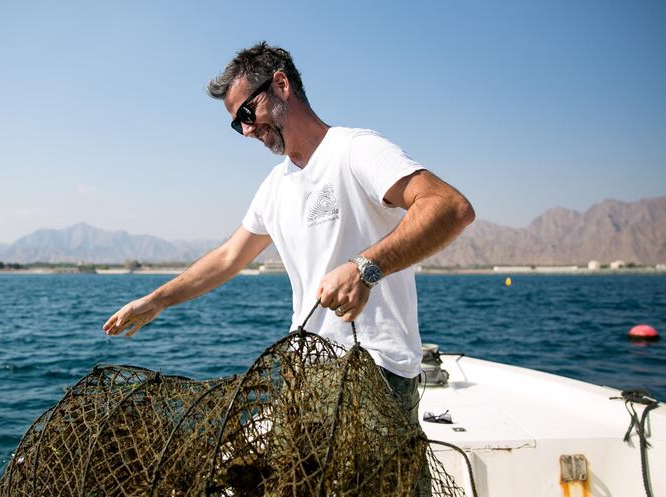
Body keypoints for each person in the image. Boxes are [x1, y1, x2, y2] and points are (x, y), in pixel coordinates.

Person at [103, 40, 473, 431]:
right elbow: (229, 257)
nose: (246, 130)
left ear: (281, 85)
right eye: (236, 124)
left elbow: (448, 206)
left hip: (373, 372)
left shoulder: (354, 150)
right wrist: (157, 300)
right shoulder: (275, 186)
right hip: (304, 377)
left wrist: (366, 267)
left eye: (247, 112)